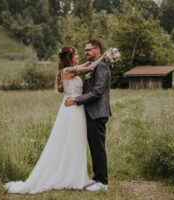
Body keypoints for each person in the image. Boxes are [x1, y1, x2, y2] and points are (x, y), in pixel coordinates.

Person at [4, 46, 104, 194]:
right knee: (69, 141)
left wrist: (97, 59)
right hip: (71, 111)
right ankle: (68, 177)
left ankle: (77, 176)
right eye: (75, 54)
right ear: (69, 58)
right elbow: (90, 68)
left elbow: (86, 65)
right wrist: (105, 56)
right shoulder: (66, 71)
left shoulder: (72, 68)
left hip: (77, 109)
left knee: (77, 141)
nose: (78, 56)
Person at [65, 40, 111, 191]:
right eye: (84, 51)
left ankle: (103, 182)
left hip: (97, 112)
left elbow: (97, 91)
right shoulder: (94, 66)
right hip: (90, 112)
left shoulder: (102, 66)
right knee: (93, 146)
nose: (85, 53)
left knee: (98, 147)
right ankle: (97, 178)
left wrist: (77, 100)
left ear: (97, 50)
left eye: (88, 50)